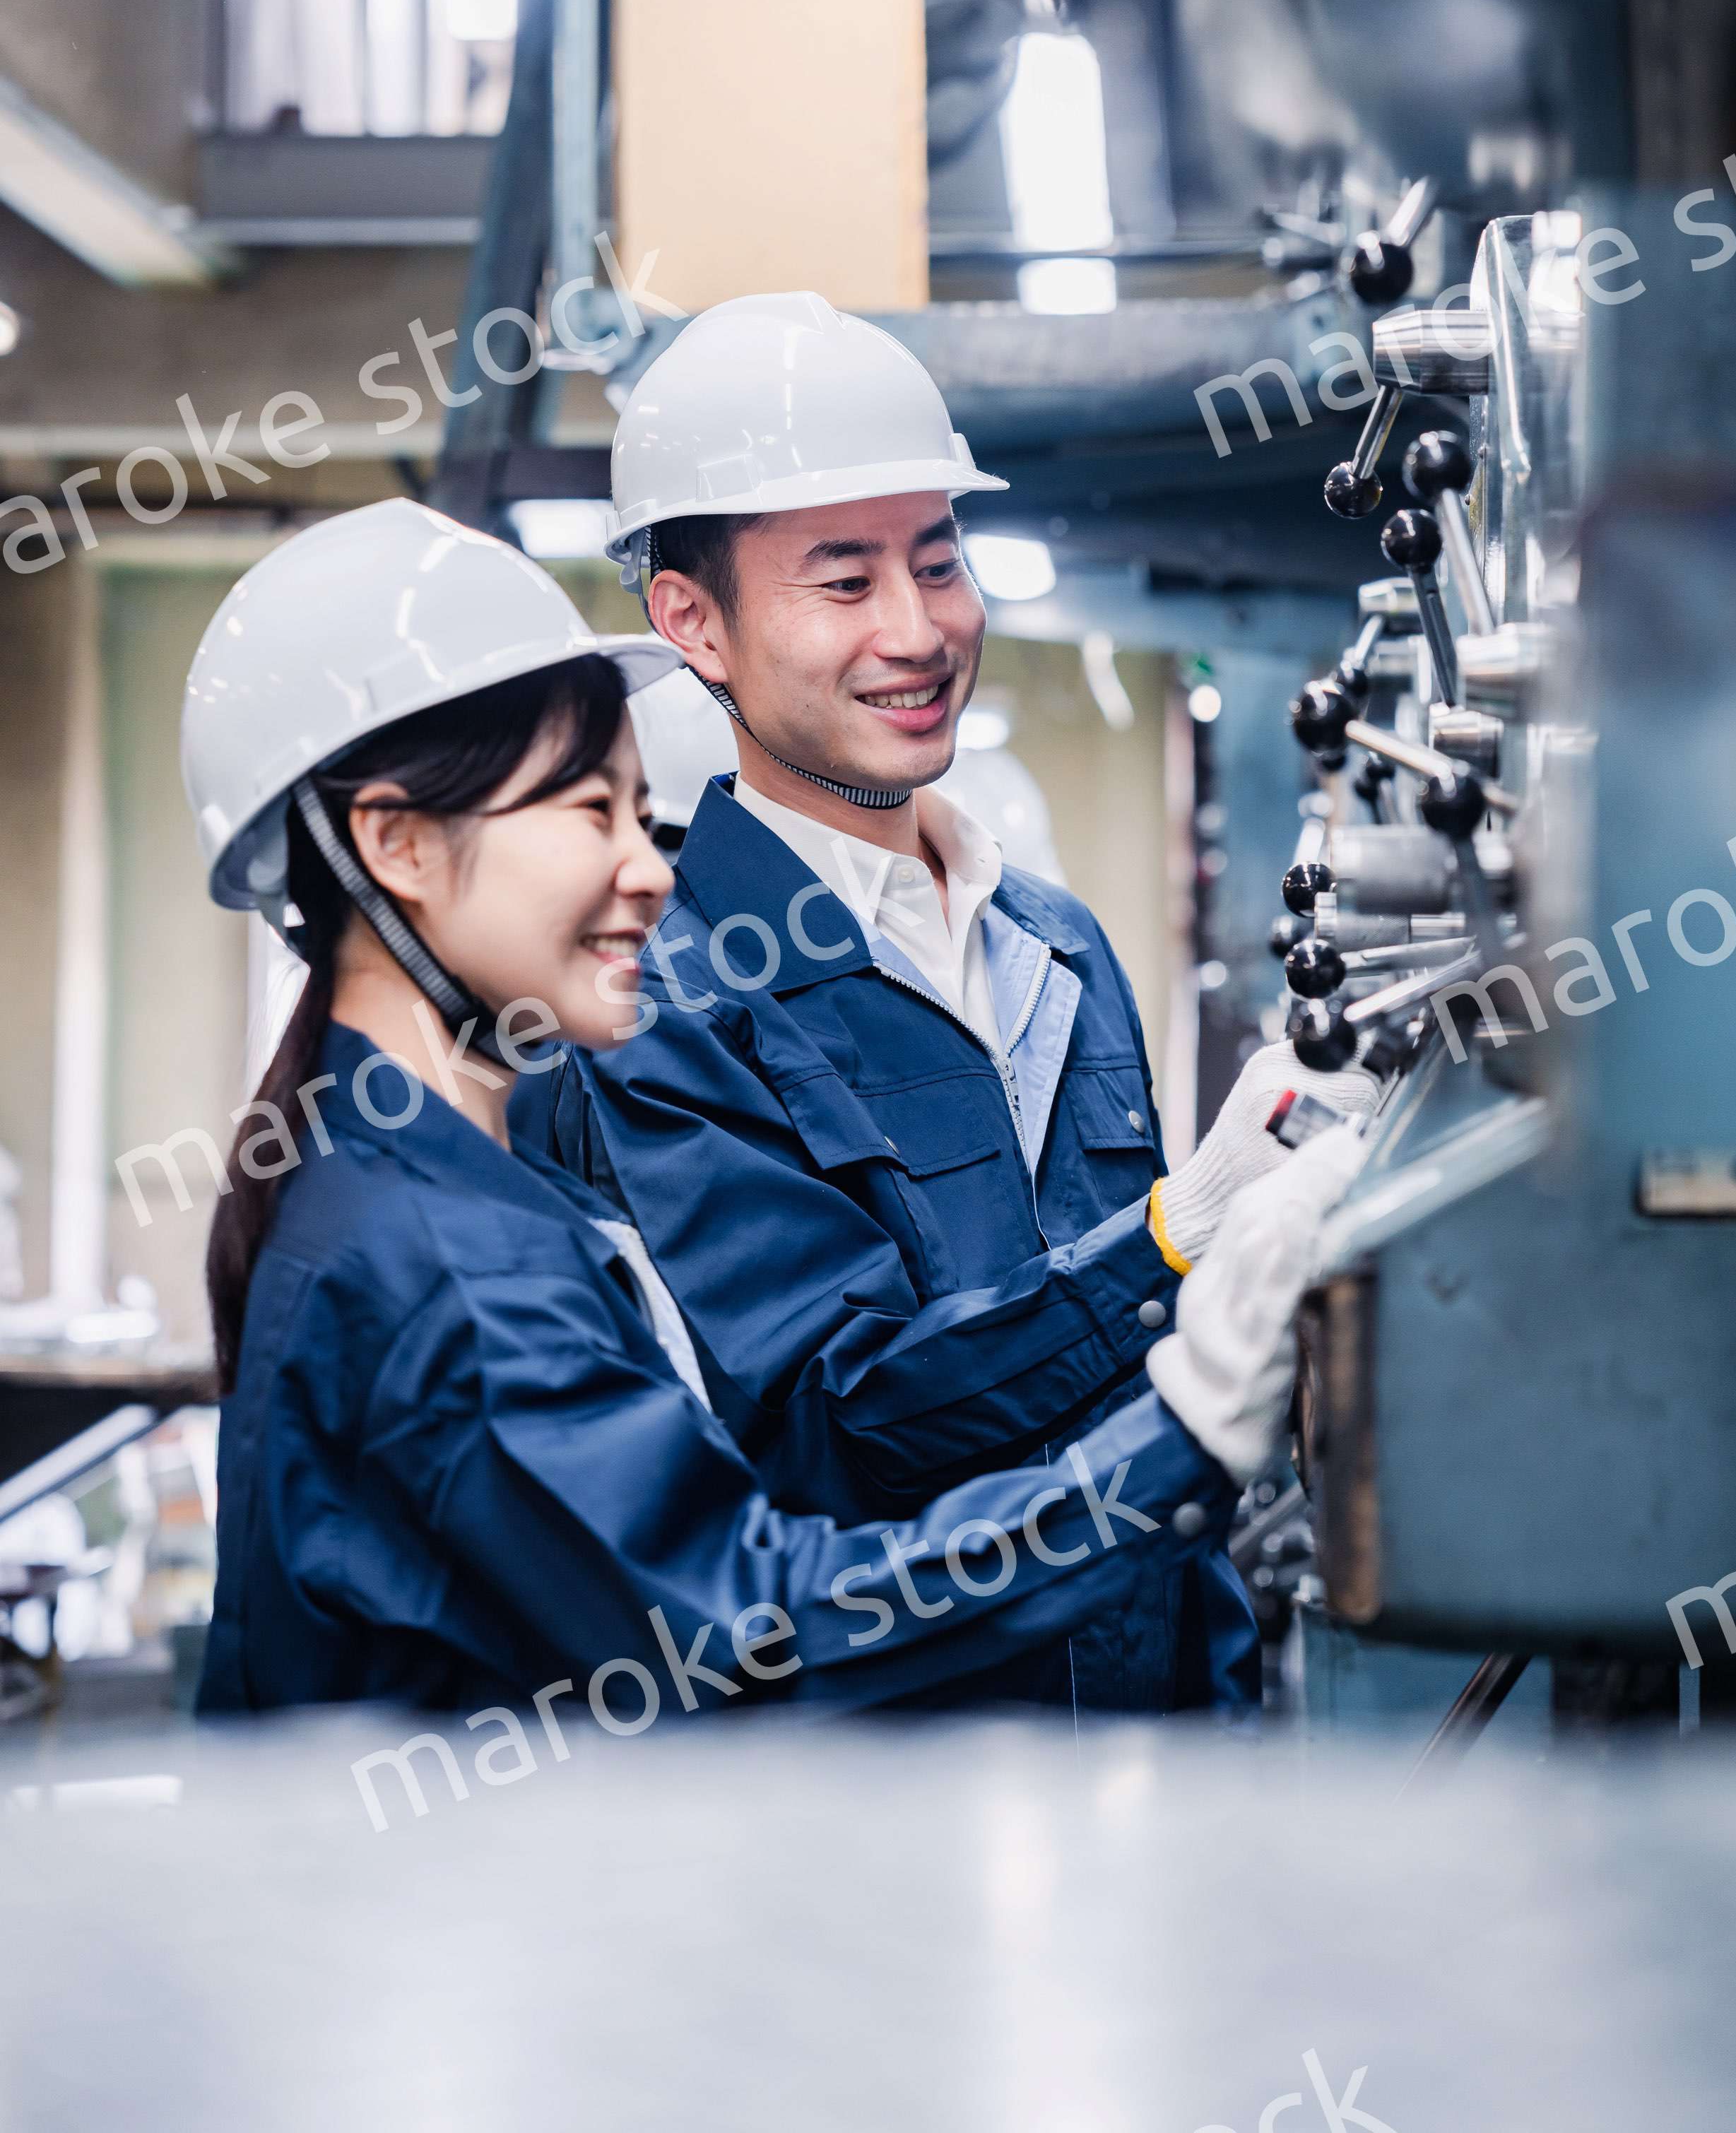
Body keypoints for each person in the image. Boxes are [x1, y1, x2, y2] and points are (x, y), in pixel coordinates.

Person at [184, 499, 1368, 1716]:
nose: (648, 869)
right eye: (588, 812)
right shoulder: (450, 1261)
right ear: (397, 845)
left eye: (637, 811)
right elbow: (755, 1629)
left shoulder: (402, 1189)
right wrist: (1185, 1433)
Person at [516, 293, 1378, 1714]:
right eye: (843, 582)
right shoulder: (661, 1003)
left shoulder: (1057, 944)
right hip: (889, 1784)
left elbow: (1159, 1415)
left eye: (937, 560)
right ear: (693, 622)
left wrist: (1221, 1720)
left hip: (1140, 1757)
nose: (917, 630)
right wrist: (1175, 1235)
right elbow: (834, 1425)